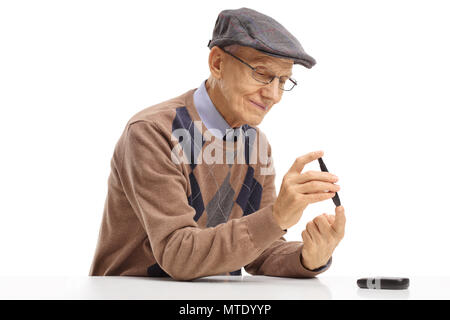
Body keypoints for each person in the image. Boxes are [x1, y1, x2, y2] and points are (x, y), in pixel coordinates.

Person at [89, 7, 345, 280]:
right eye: (261, 74)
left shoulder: (255, 144)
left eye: (282, 81)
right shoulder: (151, 133)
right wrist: (276, 217)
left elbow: (260, 248)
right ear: (218, 64)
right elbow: (178, 254)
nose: (274, 95)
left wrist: (309, 257)